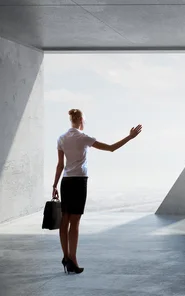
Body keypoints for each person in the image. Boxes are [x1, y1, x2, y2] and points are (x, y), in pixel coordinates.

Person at [52, 109, 142, 274]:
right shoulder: (83, 138)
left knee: (64, 220)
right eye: (84, 120)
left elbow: (60, 165)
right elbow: (111, 148)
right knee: (75, 222)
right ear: (80, 120)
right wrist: (130, 137)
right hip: (79, 181)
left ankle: (66, 257)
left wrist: (54, 186)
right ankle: (73, 258)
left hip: (66, 181)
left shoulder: (62, 138)